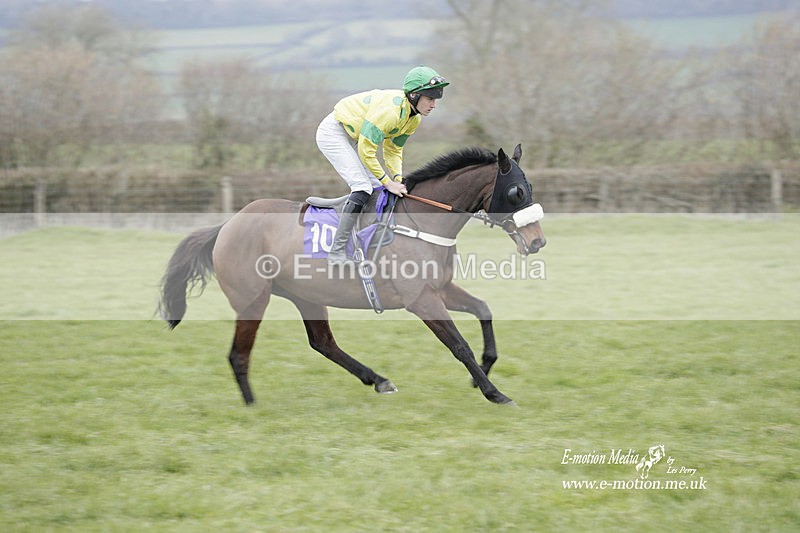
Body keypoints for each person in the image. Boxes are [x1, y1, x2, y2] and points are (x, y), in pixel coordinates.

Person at [316, 65, 449, 264]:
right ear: (414, 96)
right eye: (430, 98)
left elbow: (393, 150)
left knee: (377, 189)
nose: (434, 105)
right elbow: (367, 151)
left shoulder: (413, 119)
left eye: (435, 99)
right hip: (334, 133)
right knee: (362, 187)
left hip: (356, 137)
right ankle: (336, 251)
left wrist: (396, 178)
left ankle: (363, 239)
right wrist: (388, 182)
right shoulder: (390, 112)